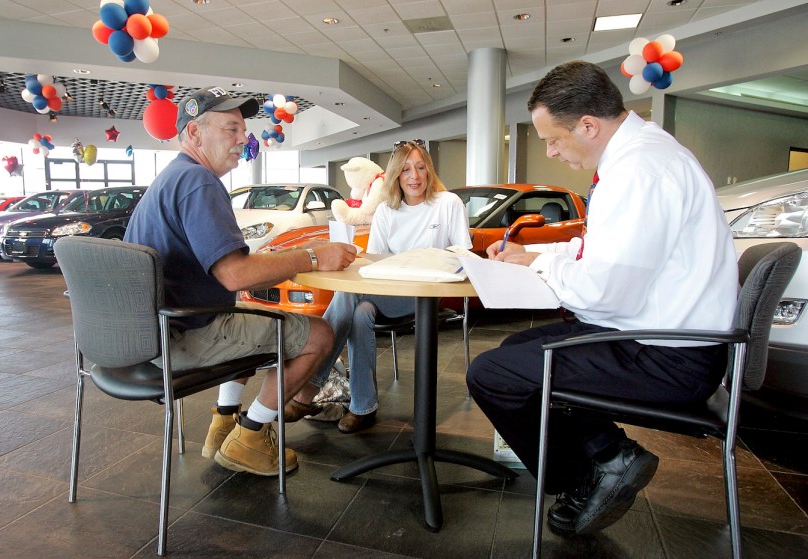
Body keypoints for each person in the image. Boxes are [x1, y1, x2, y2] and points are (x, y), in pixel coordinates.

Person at [466, 61, 739, 536]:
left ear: (588, 126)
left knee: (492, 374)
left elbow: (603, 293)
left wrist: (538, 265)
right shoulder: (643, 154)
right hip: (670, 337)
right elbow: (607, 251)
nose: (551, 151)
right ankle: (609, 454)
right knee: (515, 353)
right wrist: (535, 252)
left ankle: (590, 476)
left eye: (553, 139)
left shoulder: (639, 171)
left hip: (669, 357)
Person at [124, 86, 356, 477]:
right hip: (181, 335)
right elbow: (235, 275)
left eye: (242, 130)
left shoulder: (172, 178)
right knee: (318, 334)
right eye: (231, 129)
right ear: (195, 135)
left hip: (154, 332)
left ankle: (224, 422)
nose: (243, 139)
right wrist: (314, 255)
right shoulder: (199, 182)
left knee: (254, 315)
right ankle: (251, 437)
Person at [284, 140, 472, 433]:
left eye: (421, 168)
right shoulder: (386, 210)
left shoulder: (448, 203)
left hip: (424, 295)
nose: (415, 176)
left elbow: (463, 254)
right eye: (407, 169)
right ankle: (363, 407)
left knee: (348, 295)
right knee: (360, 312)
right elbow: (374, 261)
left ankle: (308, 388)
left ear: (429, 171)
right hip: (386, 292)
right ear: (396, 175)